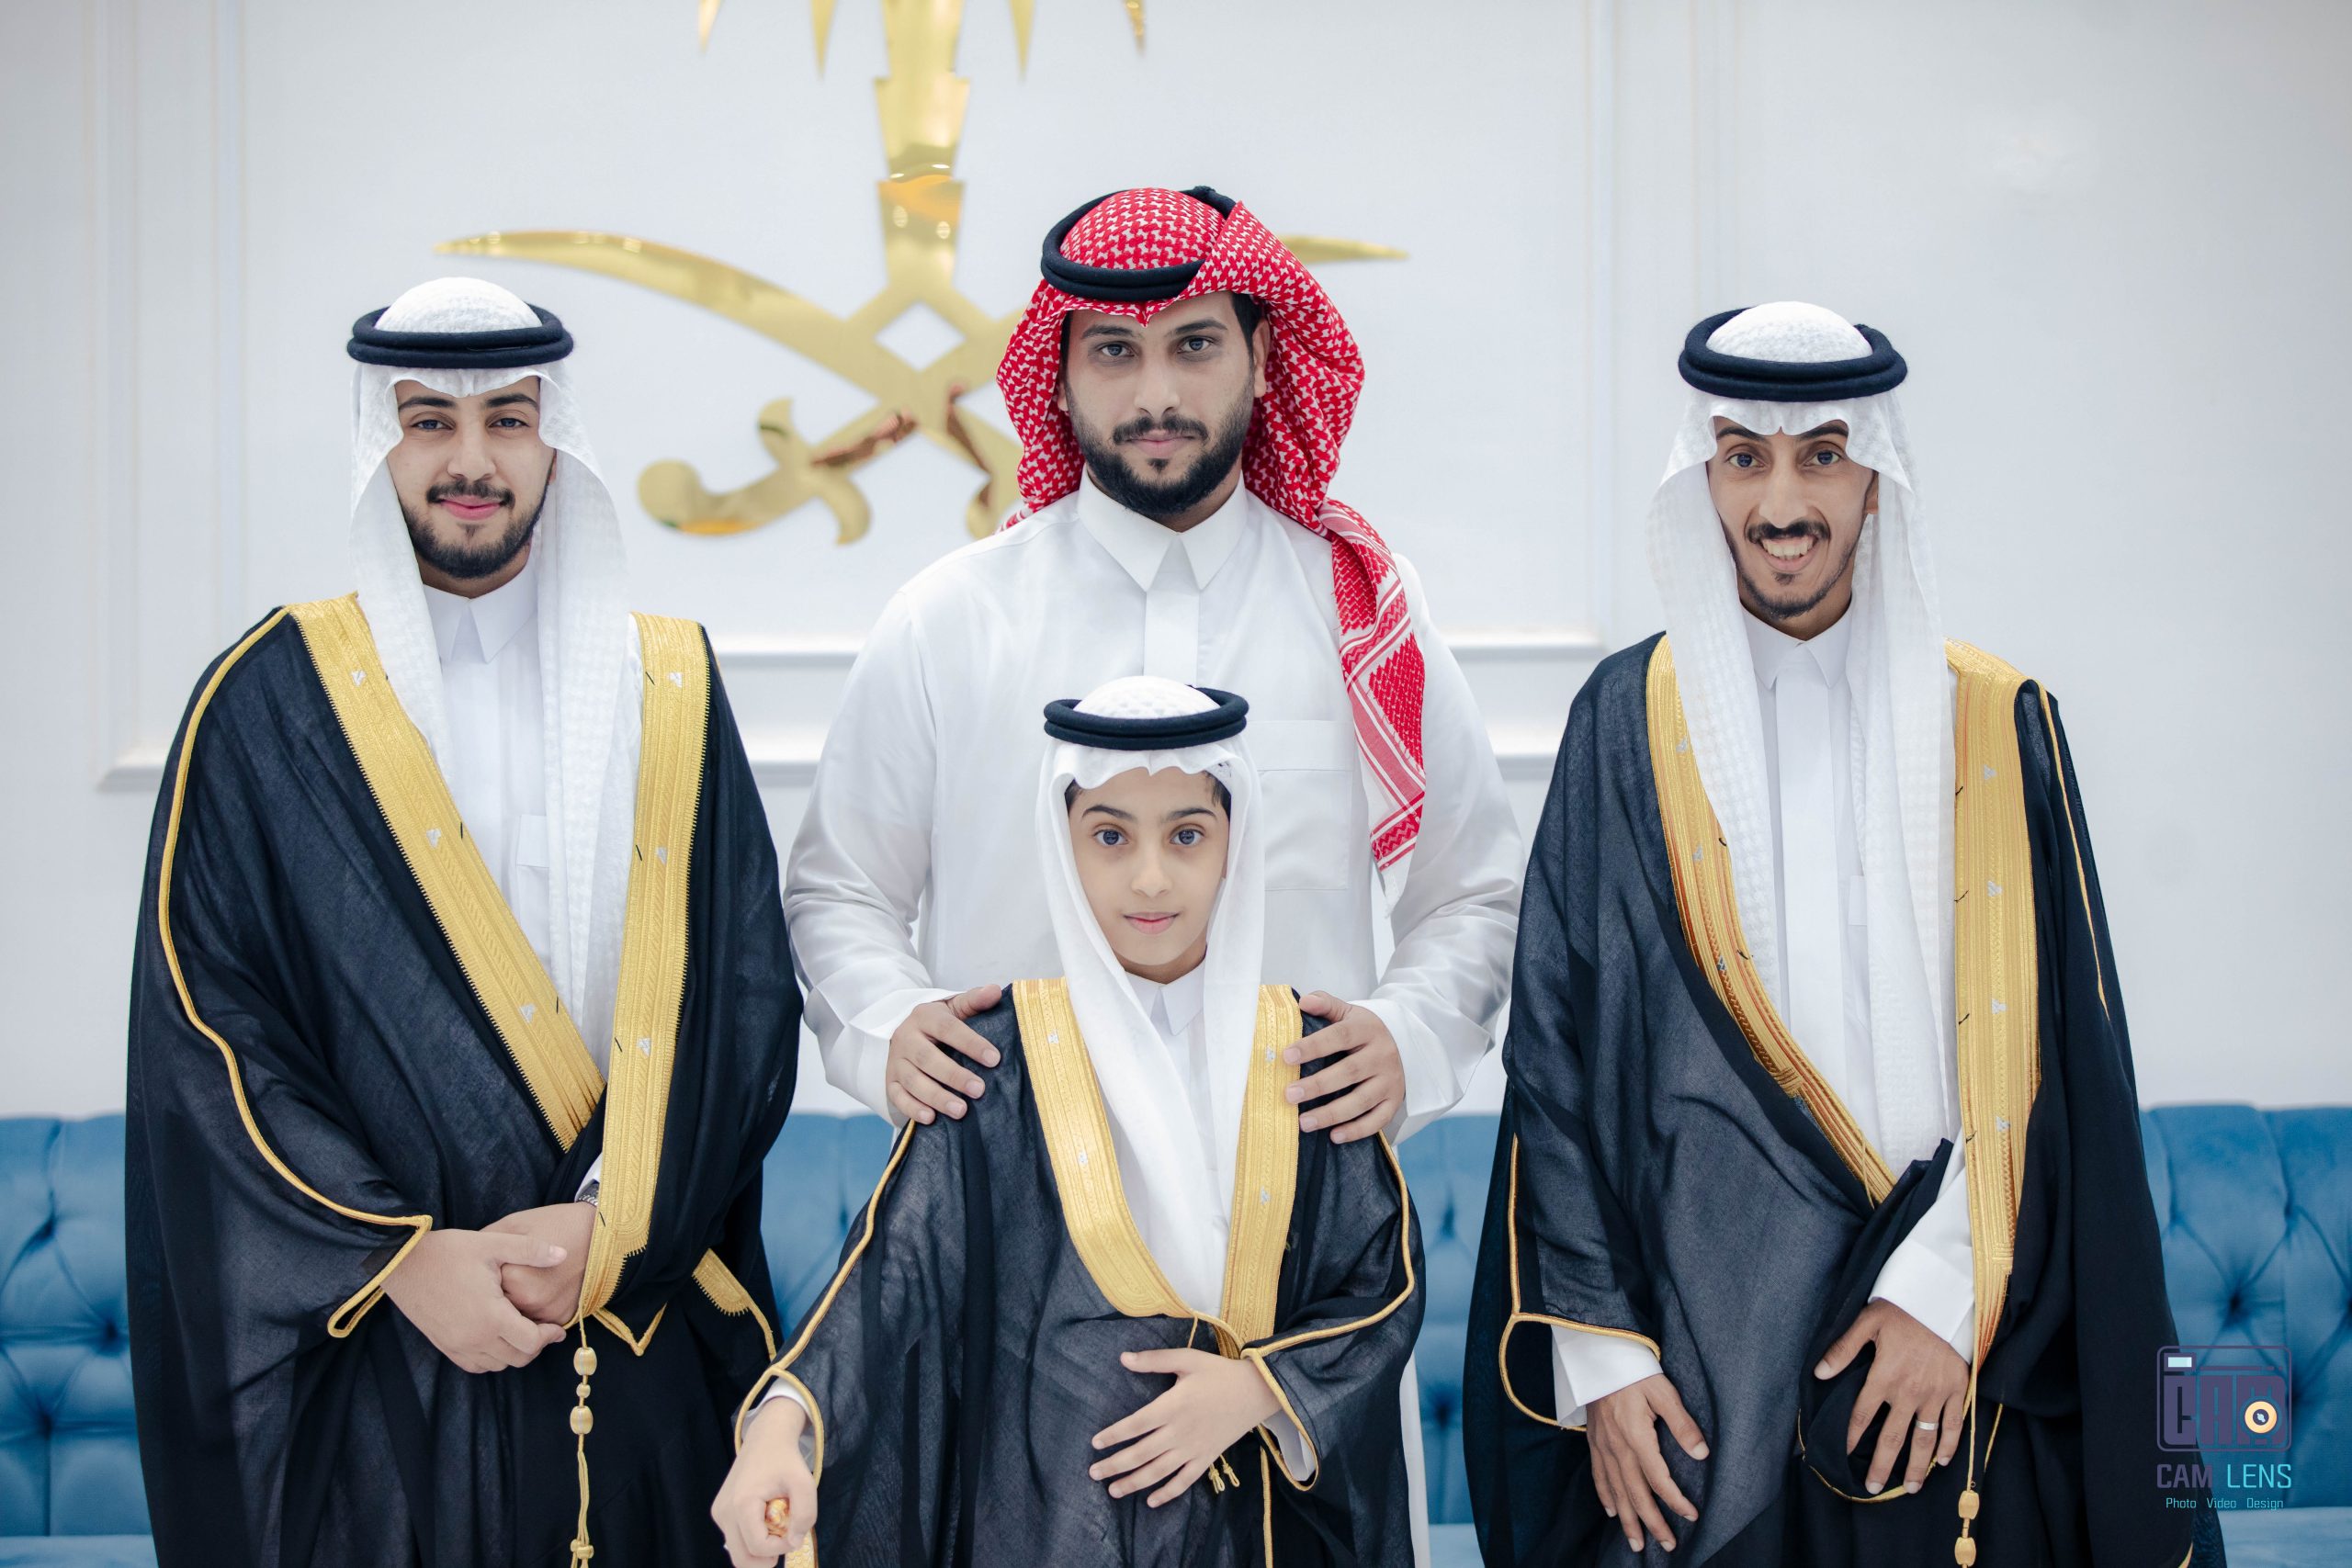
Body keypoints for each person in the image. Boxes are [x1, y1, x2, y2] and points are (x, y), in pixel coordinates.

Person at [786, 189, 1517, 1551]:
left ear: (1262, 355)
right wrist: (890, 1029)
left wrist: (1410, 1038)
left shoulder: (1357, 605)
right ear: (1058, 375)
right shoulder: (952, 618)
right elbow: (839, 890)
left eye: (1194, 345)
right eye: (1114, 353)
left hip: (1296, 1268)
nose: (1157, 391)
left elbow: (1471, 888)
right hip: (1019, 1267)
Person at [1463, 303, 2222, 1565]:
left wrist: (1944, 1292)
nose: (1782, 502)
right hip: (1694, 1359)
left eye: (1822, 454)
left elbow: (2059, 1068)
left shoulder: (1998, 725)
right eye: (1744, 457)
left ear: (1876, 478)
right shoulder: (1626, 722)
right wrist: (1602, 1358)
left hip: (1945, 1356)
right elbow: (1554, 1055)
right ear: (1704, 478)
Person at [126, 277, 801, 1567]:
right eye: (429, 421)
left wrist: (612, 1218)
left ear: (557, 440)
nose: (472, 461)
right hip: (385, 1354)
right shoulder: (264, 704)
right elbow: (211, 1026)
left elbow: (742, 997)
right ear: (378, 442)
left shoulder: (667, 685)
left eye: (509, 418)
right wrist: (398, 1256)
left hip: (631, 1313)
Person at [714, 677, 1422, 1566]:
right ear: (1064, 846)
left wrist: (1260, 1391)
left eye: (1187, 835)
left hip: (1273, 1526)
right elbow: (894, 1275)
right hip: (1055, 1515)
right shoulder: (992, 1060)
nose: (1150, 876)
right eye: (1110, 836)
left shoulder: (1311, 1052)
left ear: (1234, 845)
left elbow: (1381, 1282)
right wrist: (782, 1425)